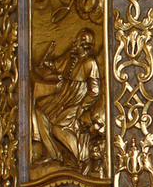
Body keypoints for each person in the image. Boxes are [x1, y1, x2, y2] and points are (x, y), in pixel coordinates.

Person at [31, 28, 104, 172]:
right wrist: (47, 64)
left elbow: (95, 90)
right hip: (64, 95)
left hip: (76, 100)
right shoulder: (72, 57)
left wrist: (83, 106)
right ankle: (52, 153)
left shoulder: (90, 62)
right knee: (40, 110)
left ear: (84, 43)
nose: (74, 42)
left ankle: (78, 159)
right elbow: (56, 65)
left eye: (77, 40)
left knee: (58, 127)